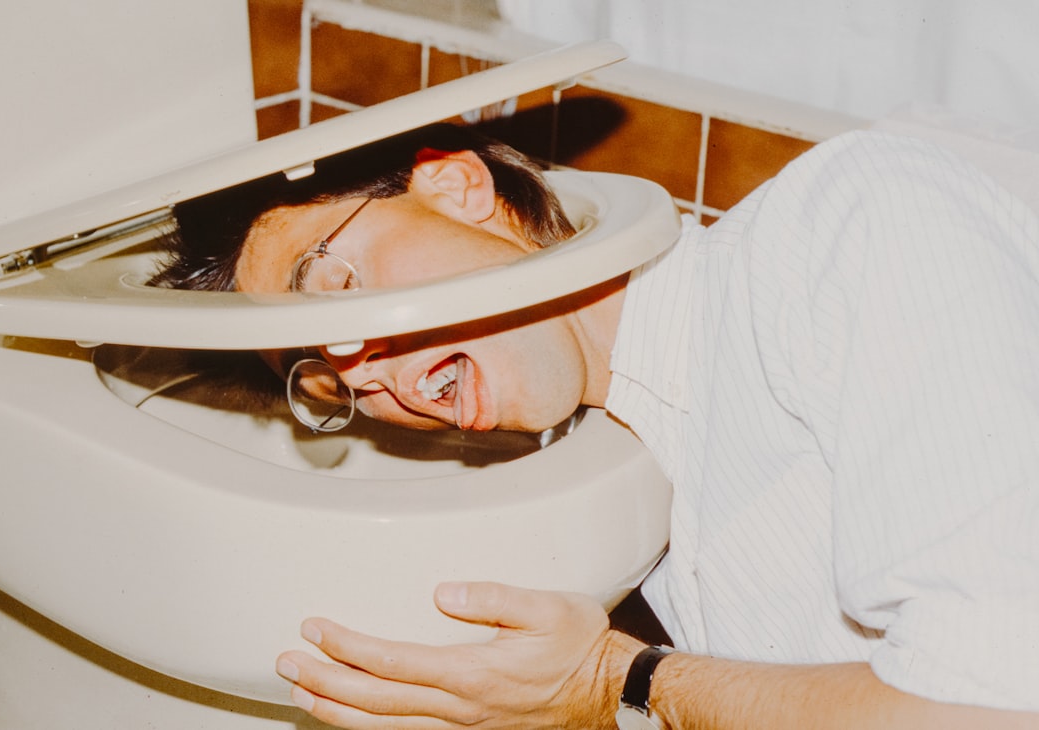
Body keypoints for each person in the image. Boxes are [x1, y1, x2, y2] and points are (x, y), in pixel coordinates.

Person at [153, 122, 1039, 729]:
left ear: (459, 186)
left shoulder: (847, 223)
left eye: (332, 288)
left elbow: (995, 709)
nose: (362, 373)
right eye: (317, 370)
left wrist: (618, 682)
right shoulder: (630, 451)